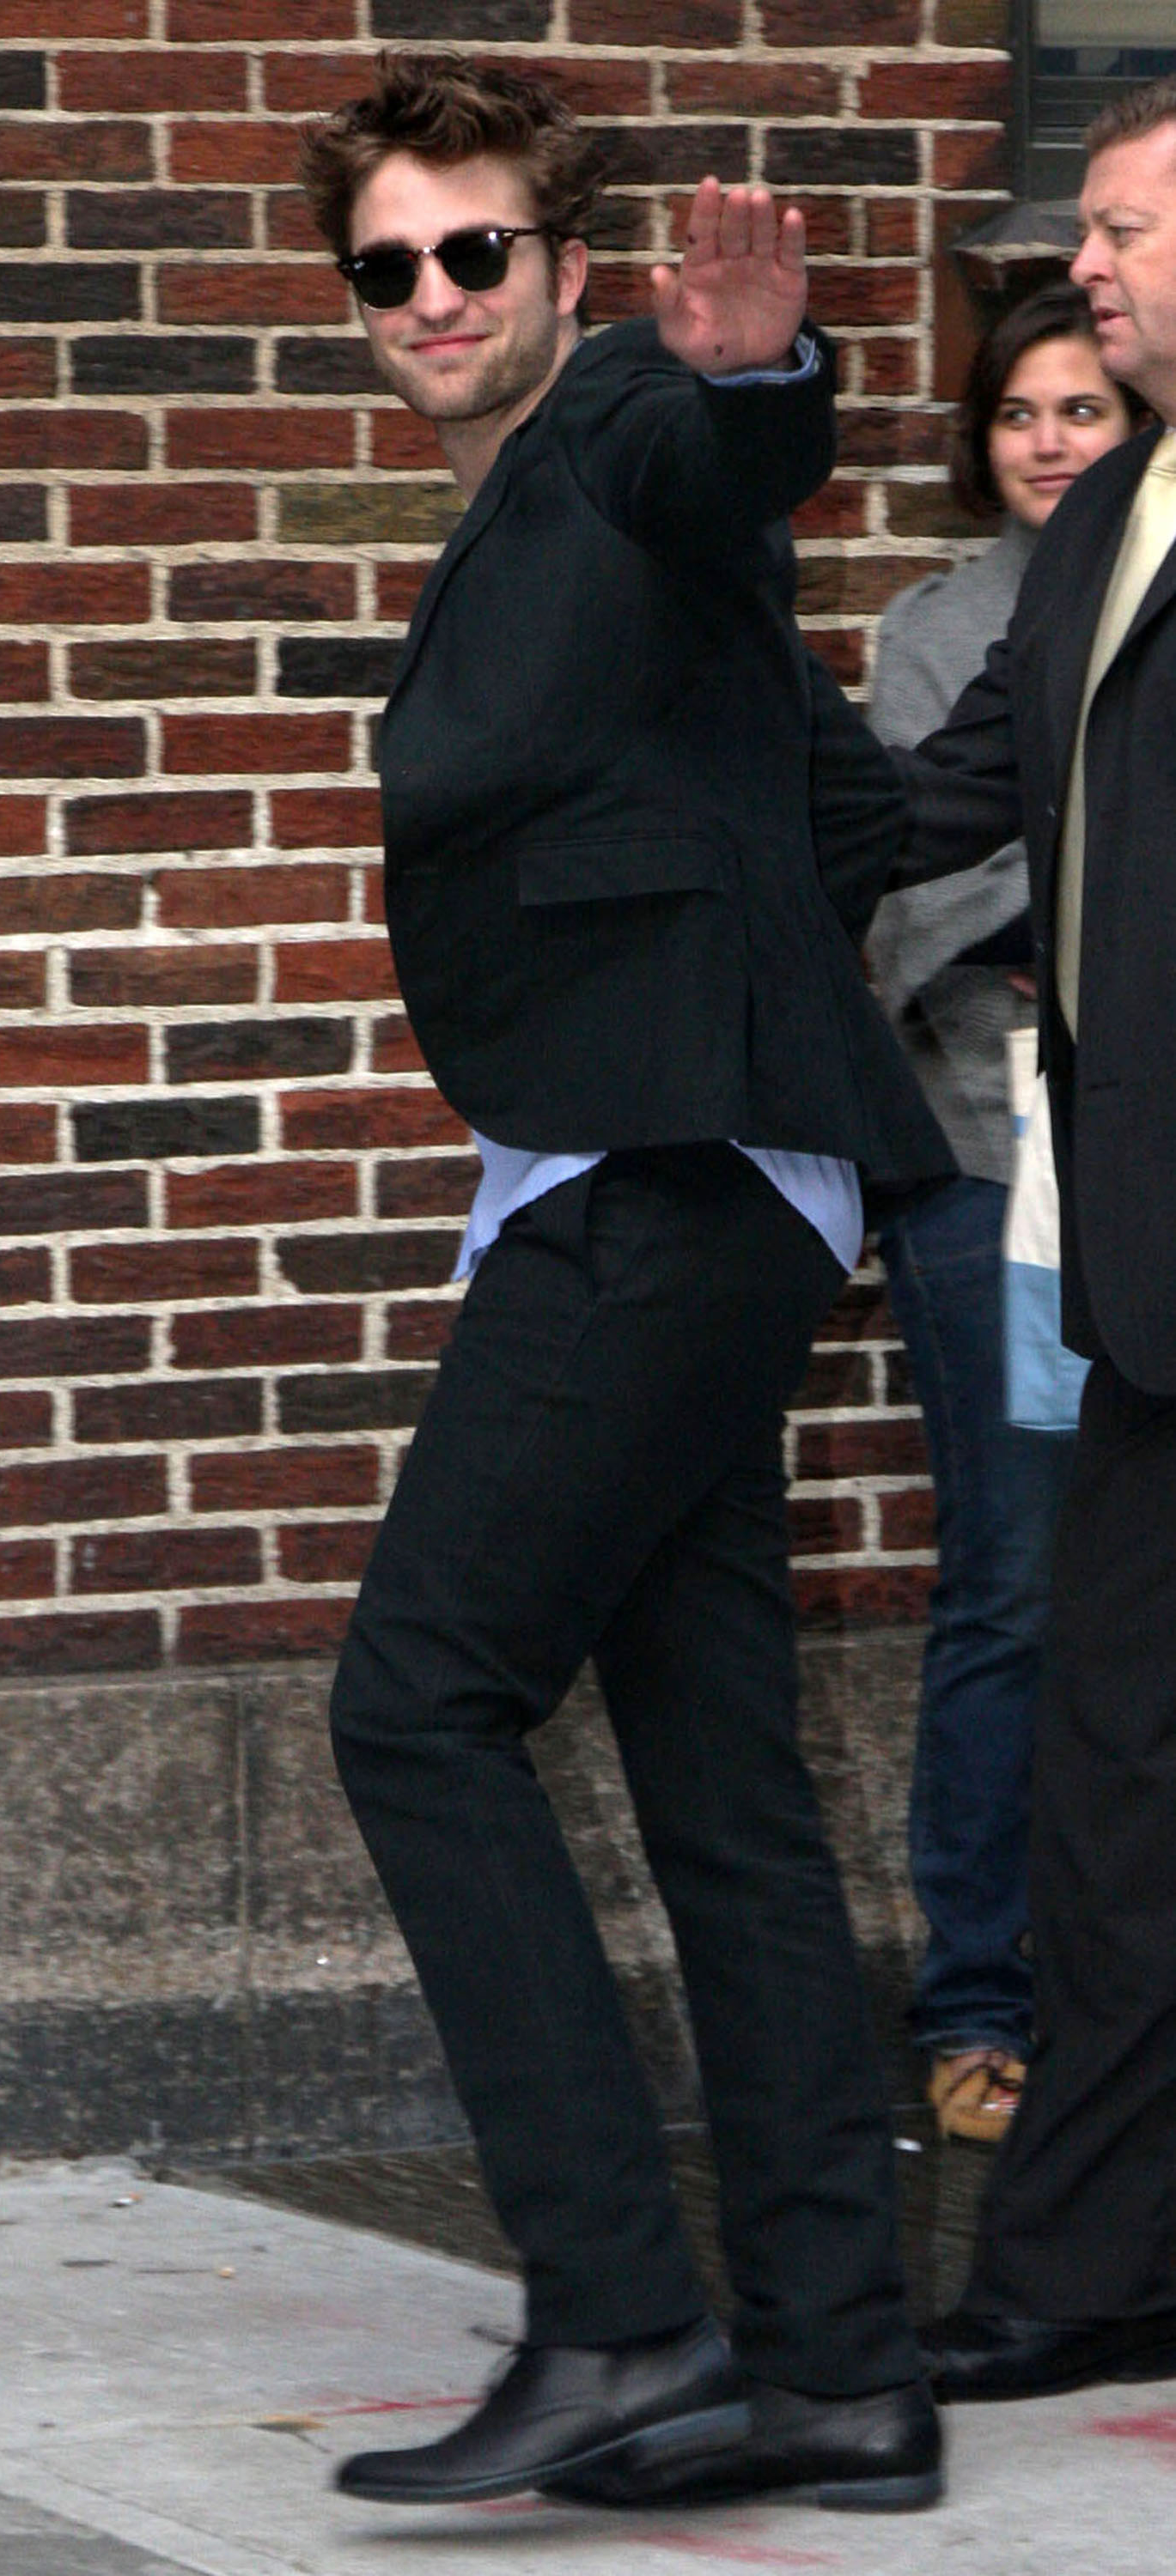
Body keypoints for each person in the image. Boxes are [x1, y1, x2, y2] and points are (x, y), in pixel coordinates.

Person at [297, 50, 954, 2513]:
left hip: (660, 1184)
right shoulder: (541, 516)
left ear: (565, 269)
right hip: (690, 1169)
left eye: (473, 250)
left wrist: (762, 378)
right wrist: (764, 930)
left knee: (417, 1704)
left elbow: (726, 456)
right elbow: (853, 795)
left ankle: (610, 2311)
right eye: (386, 266)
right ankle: (837, 2369)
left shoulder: (614, 443)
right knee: (719, 1783)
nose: (431, 295)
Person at [893, 76, 1176, 2400]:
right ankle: (1092, 2270)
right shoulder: (1109, 527)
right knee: (1114, 1777)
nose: (1078, 267)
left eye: (1121, 229)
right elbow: (935, 793)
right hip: (1142, 1280)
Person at [867, 286, 1136, 2147]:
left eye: (1083, 409)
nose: (1048, 440)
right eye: (1019, 412)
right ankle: (979, 1997)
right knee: (1015, 1586)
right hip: (987, 1158)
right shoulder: (936, 628)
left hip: (1151, 1157)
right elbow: (918, 894)